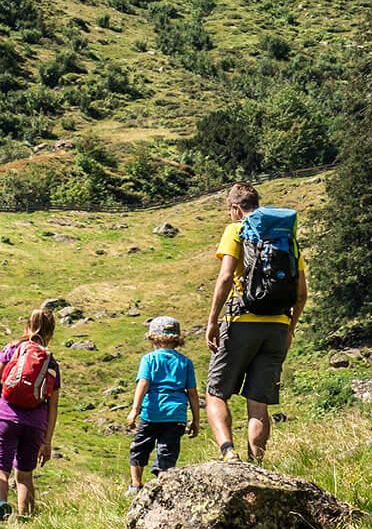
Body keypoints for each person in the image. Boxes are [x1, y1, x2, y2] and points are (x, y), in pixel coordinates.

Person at [204, 180, 307, 462]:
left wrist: (212, 320)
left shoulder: (236, 230)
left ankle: (229, 454)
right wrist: (289, 329)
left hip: (241, 322)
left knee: (215, 392)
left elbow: (226, 277)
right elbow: (301, 293)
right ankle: (256, 464)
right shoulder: (286, 237)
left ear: (236, 208)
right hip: (276, 327)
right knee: (259, 404)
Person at [0, 303, 61, 520]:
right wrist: (47, 441)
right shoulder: (51, 362)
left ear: (28, 326)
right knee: (25, 475)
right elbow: (53, 406)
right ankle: (25, 522)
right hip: (35, 424)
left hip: (7, 418)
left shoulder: (11, 349)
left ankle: (1, 504)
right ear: (51, 333)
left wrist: (4, 401)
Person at [125, 314, 200, 489]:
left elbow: (143, 383)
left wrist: (135, 410)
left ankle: (136, 485)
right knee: (167, 452)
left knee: (139, 447)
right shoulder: (185, 362)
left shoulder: (149, 359)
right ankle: (163, 487)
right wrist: (196, 420)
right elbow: (192, 393)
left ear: (153, 338)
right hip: (176, 416)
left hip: (151, 413)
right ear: (177, 340)